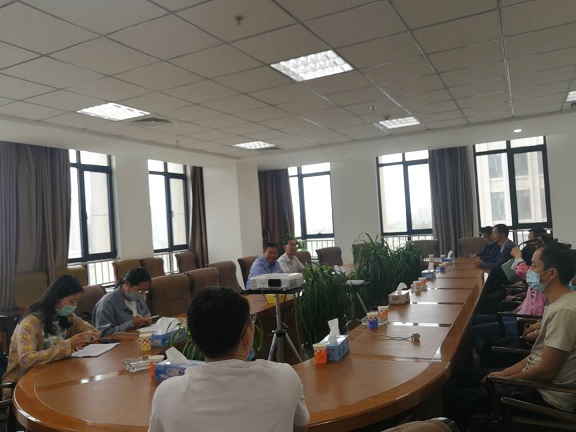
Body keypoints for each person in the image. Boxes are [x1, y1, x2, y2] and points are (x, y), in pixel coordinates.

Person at [447, 243, 576, 429]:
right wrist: (503, 374)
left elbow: (546, 371)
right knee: (461, 377)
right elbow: (535, 357)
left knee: (457, 398)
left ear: (551, 273)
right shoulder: (558, 303)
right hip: (537, 382)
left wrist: (505, 380)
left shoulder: (564, 311)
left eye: (534, 266)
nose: (529, 270)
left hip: (546, 396)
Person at [149, 286, 310, 432]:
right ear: (247, 336)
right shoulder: (284, 378)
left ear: (195, 341)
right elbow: (300, 427)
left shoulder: (167, 395)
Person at [2, 275, 99, 393]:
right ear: (57, 299)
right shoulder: (30, 323)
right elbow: (26, 361)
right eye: (72, 301)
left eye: (77, 301)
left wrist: (82, 340)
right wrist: (67, 346)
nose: (74, 306)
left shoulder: (67, 317)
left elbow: (94, 332)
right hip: (22, 385)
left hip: (55, 377)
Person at [92, 267, 153, 336]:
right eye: (139, 290)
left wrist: (147, 320)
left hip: (139, 337)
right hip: (120, 341)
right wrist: (131, 324)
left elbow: (146, 315)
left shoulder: (140, 297)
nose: (142, 294)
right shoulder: (107, 303)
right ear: (127, 283)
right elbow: (102, 333)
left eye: (145, 291)